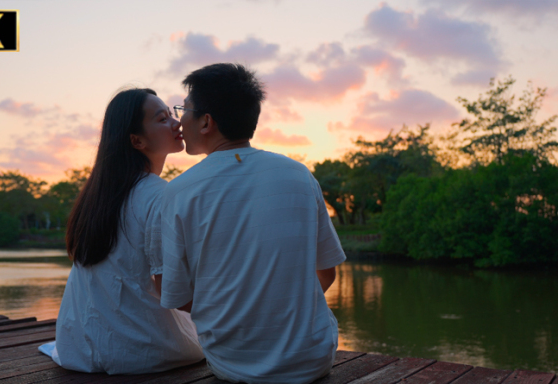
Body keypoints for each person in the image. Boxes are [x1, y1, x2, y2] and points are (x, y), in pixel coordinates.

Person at [152, 63, 347, 383]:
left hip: (234, 364)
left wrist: (239, 317)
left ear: (206, 122)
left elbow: (177, 296)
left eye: (184, 110)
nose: (179, 121)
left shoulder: (179, 192)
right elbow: (327, 272)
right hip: (312, 360)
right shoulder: (299, 174)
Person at [39, 88, 204, 374]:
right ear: (136, 140)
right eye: (162, 119)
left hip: (79, 347)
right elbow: (173, 292)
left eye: (172, 114)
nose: (177, 123)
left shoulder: (99, 196)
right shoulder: (159, 195)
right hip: (143, 349)